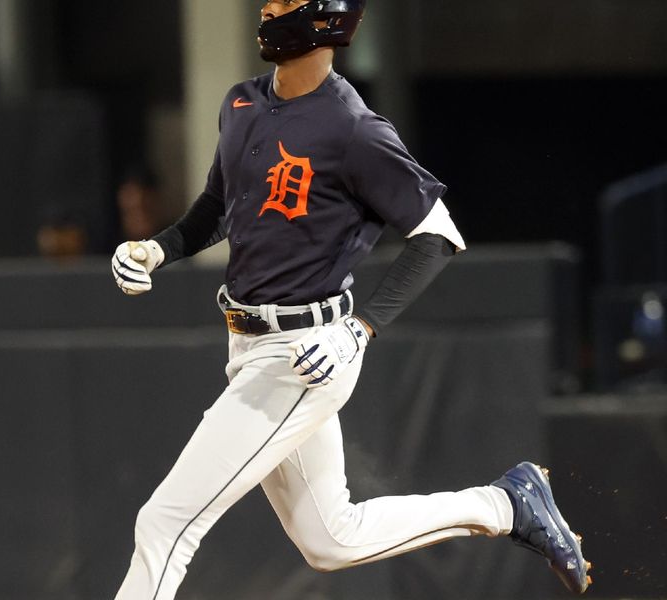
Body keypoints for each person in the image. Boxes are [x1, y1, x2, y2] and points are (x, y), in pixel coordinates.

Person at [110, 1, 592, 598]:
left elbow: (439, 235)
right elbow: (218, 206)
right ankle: (505, 505)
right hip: (248, 340)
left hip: (305, 354)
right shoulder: (242, 101)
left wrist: (357, 330)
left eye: (286, 1)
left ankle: (506, 504)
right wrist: (159, 249)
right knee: (331, 539)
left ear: (324, 18)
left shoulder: (353, 127)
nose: (268, 8)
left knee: (165, 524)